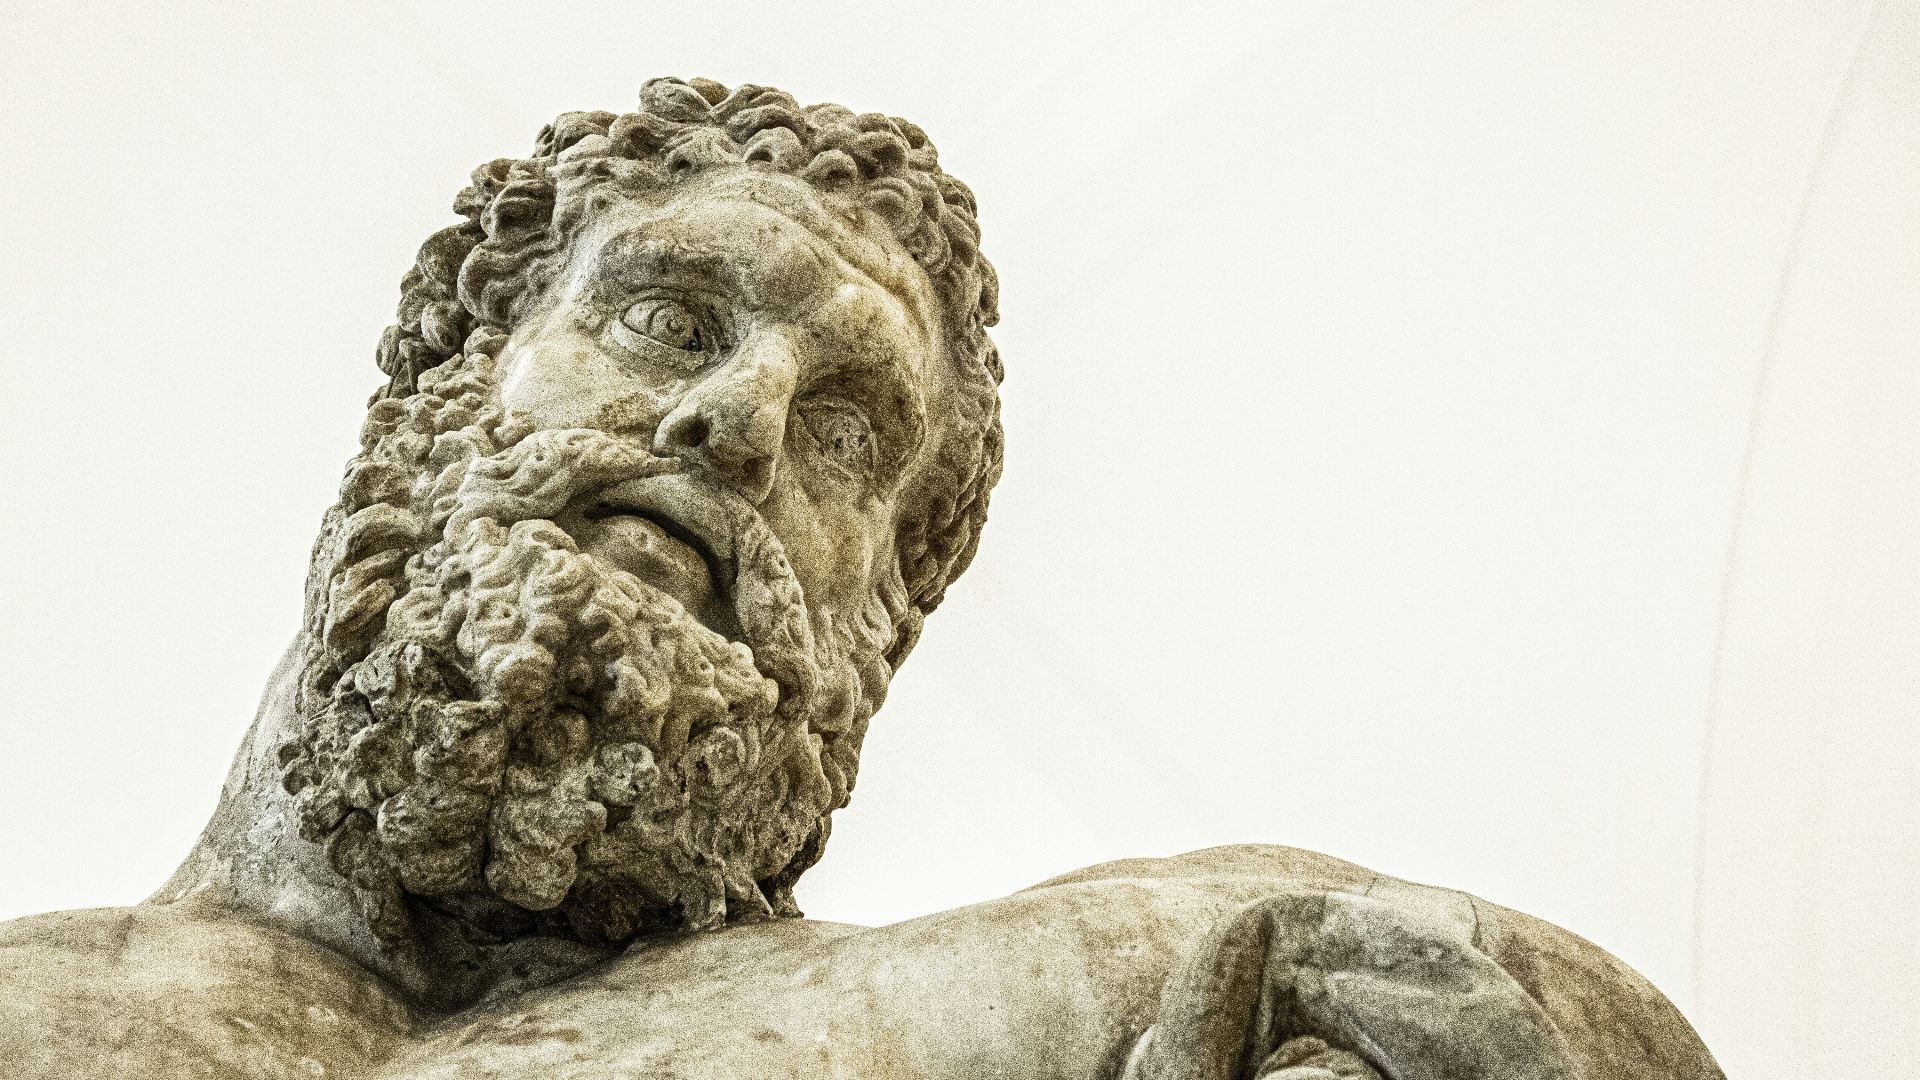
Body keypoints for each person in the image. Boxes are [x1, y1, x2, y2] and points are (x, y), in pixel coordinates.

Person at [0, 78, 1722, 1080]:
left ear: (873, 628)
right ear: (441, 387)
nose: (741, 424)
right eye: (667, 318)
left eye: (843, 435)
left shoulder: (1077, 985)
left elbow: (1564, 1019)